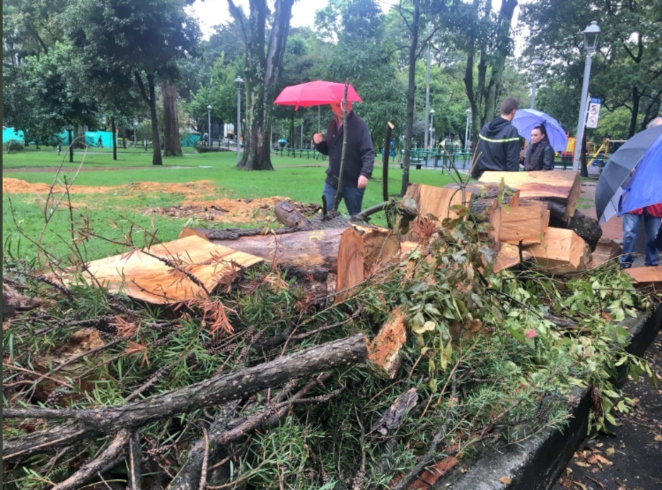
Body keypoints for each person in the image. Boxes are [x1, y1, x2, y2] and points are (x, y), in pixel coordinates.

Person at [313, 100, 375, 216]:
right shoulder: (332, 125)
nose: (342, 108)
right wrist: (319, 144)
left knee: (355, 217)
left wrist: (365, 173)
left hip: (352, 182)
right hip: (332, 181)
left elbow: (369, 152)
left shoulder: (359, 125)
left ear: (351, 105)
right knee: (325, 215)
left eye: (345, 104)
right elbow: (330, 150)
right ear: (332, 107)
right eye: (338, 105)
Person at [471, 97, 520, 179]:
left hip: (483, 176)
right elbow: (512, 161)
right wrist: (512, 180)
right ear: (513, 112)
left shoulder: (485, 127)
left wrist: (475, 173)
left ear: (501, 110)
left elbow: (478, 151)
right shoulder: (511, 132)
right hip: (500, 179)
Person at [620, 204, 662, 268]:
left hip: (655, 204)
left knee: (653, 236)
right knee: (629, 234)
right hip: (633, 202)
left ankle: (651, 262)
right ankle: (626, 262)